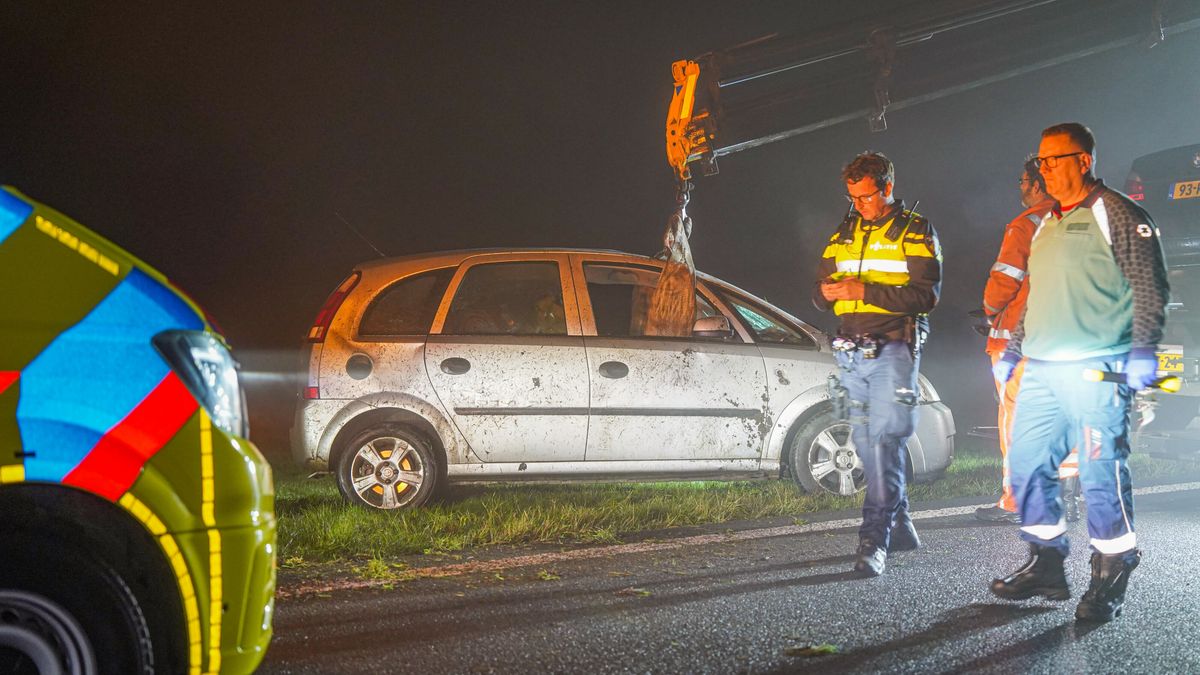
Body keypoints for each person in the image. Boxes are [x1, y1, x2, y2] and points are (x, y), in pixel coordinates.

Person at [990, 123, 1169, 622]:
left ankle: (1113, 566)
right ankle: (1046, 563)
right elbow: (1040, 294)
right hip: (1043, 370)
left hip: (1098, 369)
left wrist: (1142, 351)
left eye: (1053, 159)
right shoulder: (1046, 222)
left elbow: (1149, 286)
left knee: (1099, 470)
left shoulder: (1117, 213)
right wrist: (1015, 350)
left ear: (1083, 160)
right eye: (1040, 161)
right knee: (1026, 464)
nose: (1043, 169)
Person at [813, 151, 942, 577]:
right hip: (851, 351)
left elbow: (926, 296)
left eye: (867, 197)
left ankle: (874, 538)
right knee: (867, 442)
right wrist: (825, 293)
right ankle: (899, 520)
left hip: (894, 348)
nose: (859, 205)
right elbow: (820, 286)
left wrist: (863, 291)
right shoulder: (844, 231)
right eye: (853, 197)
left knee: (885, 439)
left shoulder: (915, 231)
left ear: (887, 187)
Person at [975, 157, 1081, 525]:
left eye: (1024, 180)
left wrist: (990, 311)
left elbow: (1005, 281)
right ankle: (1065, 497)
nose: (1020, 187)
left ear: (1038, 184)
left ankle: (1018, 502)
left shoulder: (1028, 223)